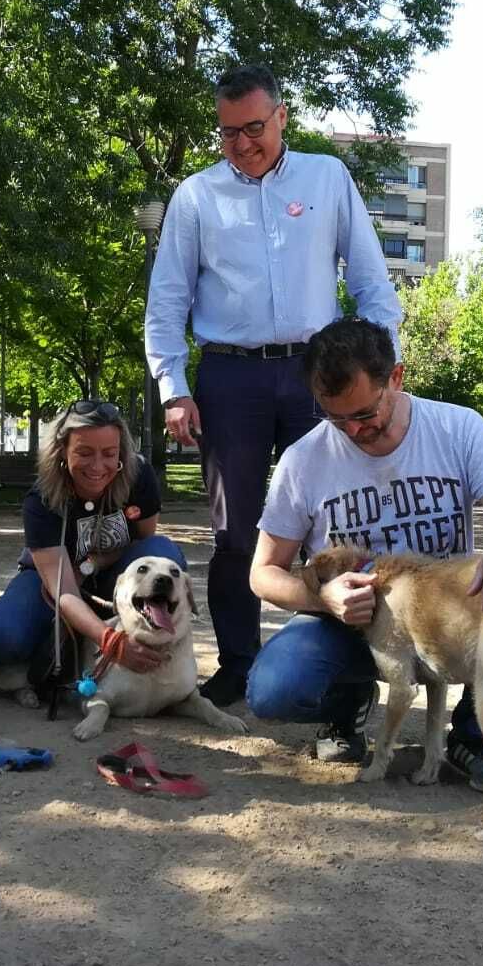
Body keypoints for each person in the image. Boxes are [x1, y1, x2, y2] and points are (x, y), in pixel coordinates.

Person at [145, 62, 402, 708]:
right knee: (237, 531)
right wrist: (174, 387)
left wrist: (380, 368)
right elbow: (167, 298)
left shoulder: (327, 177)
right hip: (229, 376)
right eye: (227, 132)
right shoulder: (196, 196)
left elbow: (371, 281)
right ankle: (239, 663)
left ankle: (342, 671)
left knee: (334, 524)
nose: (241, 144)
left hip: (320, 372)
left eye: (253, 128)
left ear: (282, 116)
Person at [246, 318, 483, 793]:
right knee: (273, 689)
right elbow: (263, 572)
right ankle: (349, 705)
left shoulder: (456, 428)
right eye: (336, 417)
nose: (354, 430)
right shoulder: (303, 459)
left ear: (396, 377)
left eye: (365, 412)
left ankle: (474, 736)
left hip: (445, 617)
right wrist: (324, 599)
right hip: (351, 623)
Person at [0, 400, 185, 684]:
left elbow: (144, 548)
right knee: (3, 638)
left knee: (162, 551)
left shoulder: (139, 477)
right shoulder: (42, 500)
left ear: (121, 451)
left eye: (109, 454)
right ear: (62, 450)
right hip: (50, 580)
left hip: (114, 574)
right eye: (84, 453)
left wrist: (93, 563)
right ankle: (18, 653)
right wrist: (111, 641)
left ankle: (152, 646)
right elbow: (64, 591)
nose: (98, 466)